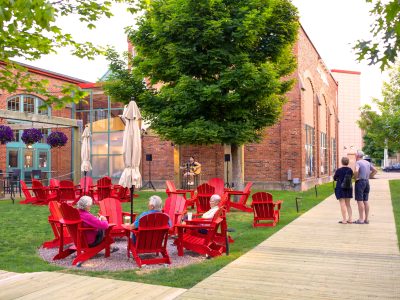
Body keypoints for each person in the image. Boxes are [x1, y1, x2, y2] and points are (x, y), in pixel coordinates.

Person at [353, 150, 377, 224]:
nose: (355, 156)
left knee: (359, 201)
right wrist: (370, 176)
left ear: (357, 156)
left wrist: (356, 178)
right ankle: (366, 219)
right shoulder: (367, 162)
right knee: (365, 200)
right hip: (367, 182)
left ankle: (361, 219)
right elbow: (375, 170)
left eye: (355, 155)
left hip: (360, 182)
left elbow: (356, 171)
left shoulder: (358, 162)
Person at [333, 157, 353, 224]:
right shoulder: (350, 170)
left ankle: (344, 220)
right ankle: (350, 219)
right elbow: (351, 177)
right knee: (348, 204)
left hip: (340, 188)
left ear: (341, 162)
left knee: (342, 204)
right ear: (348, 162)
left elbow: (335, 178)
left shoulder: (339, 170)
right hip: (348, 188)